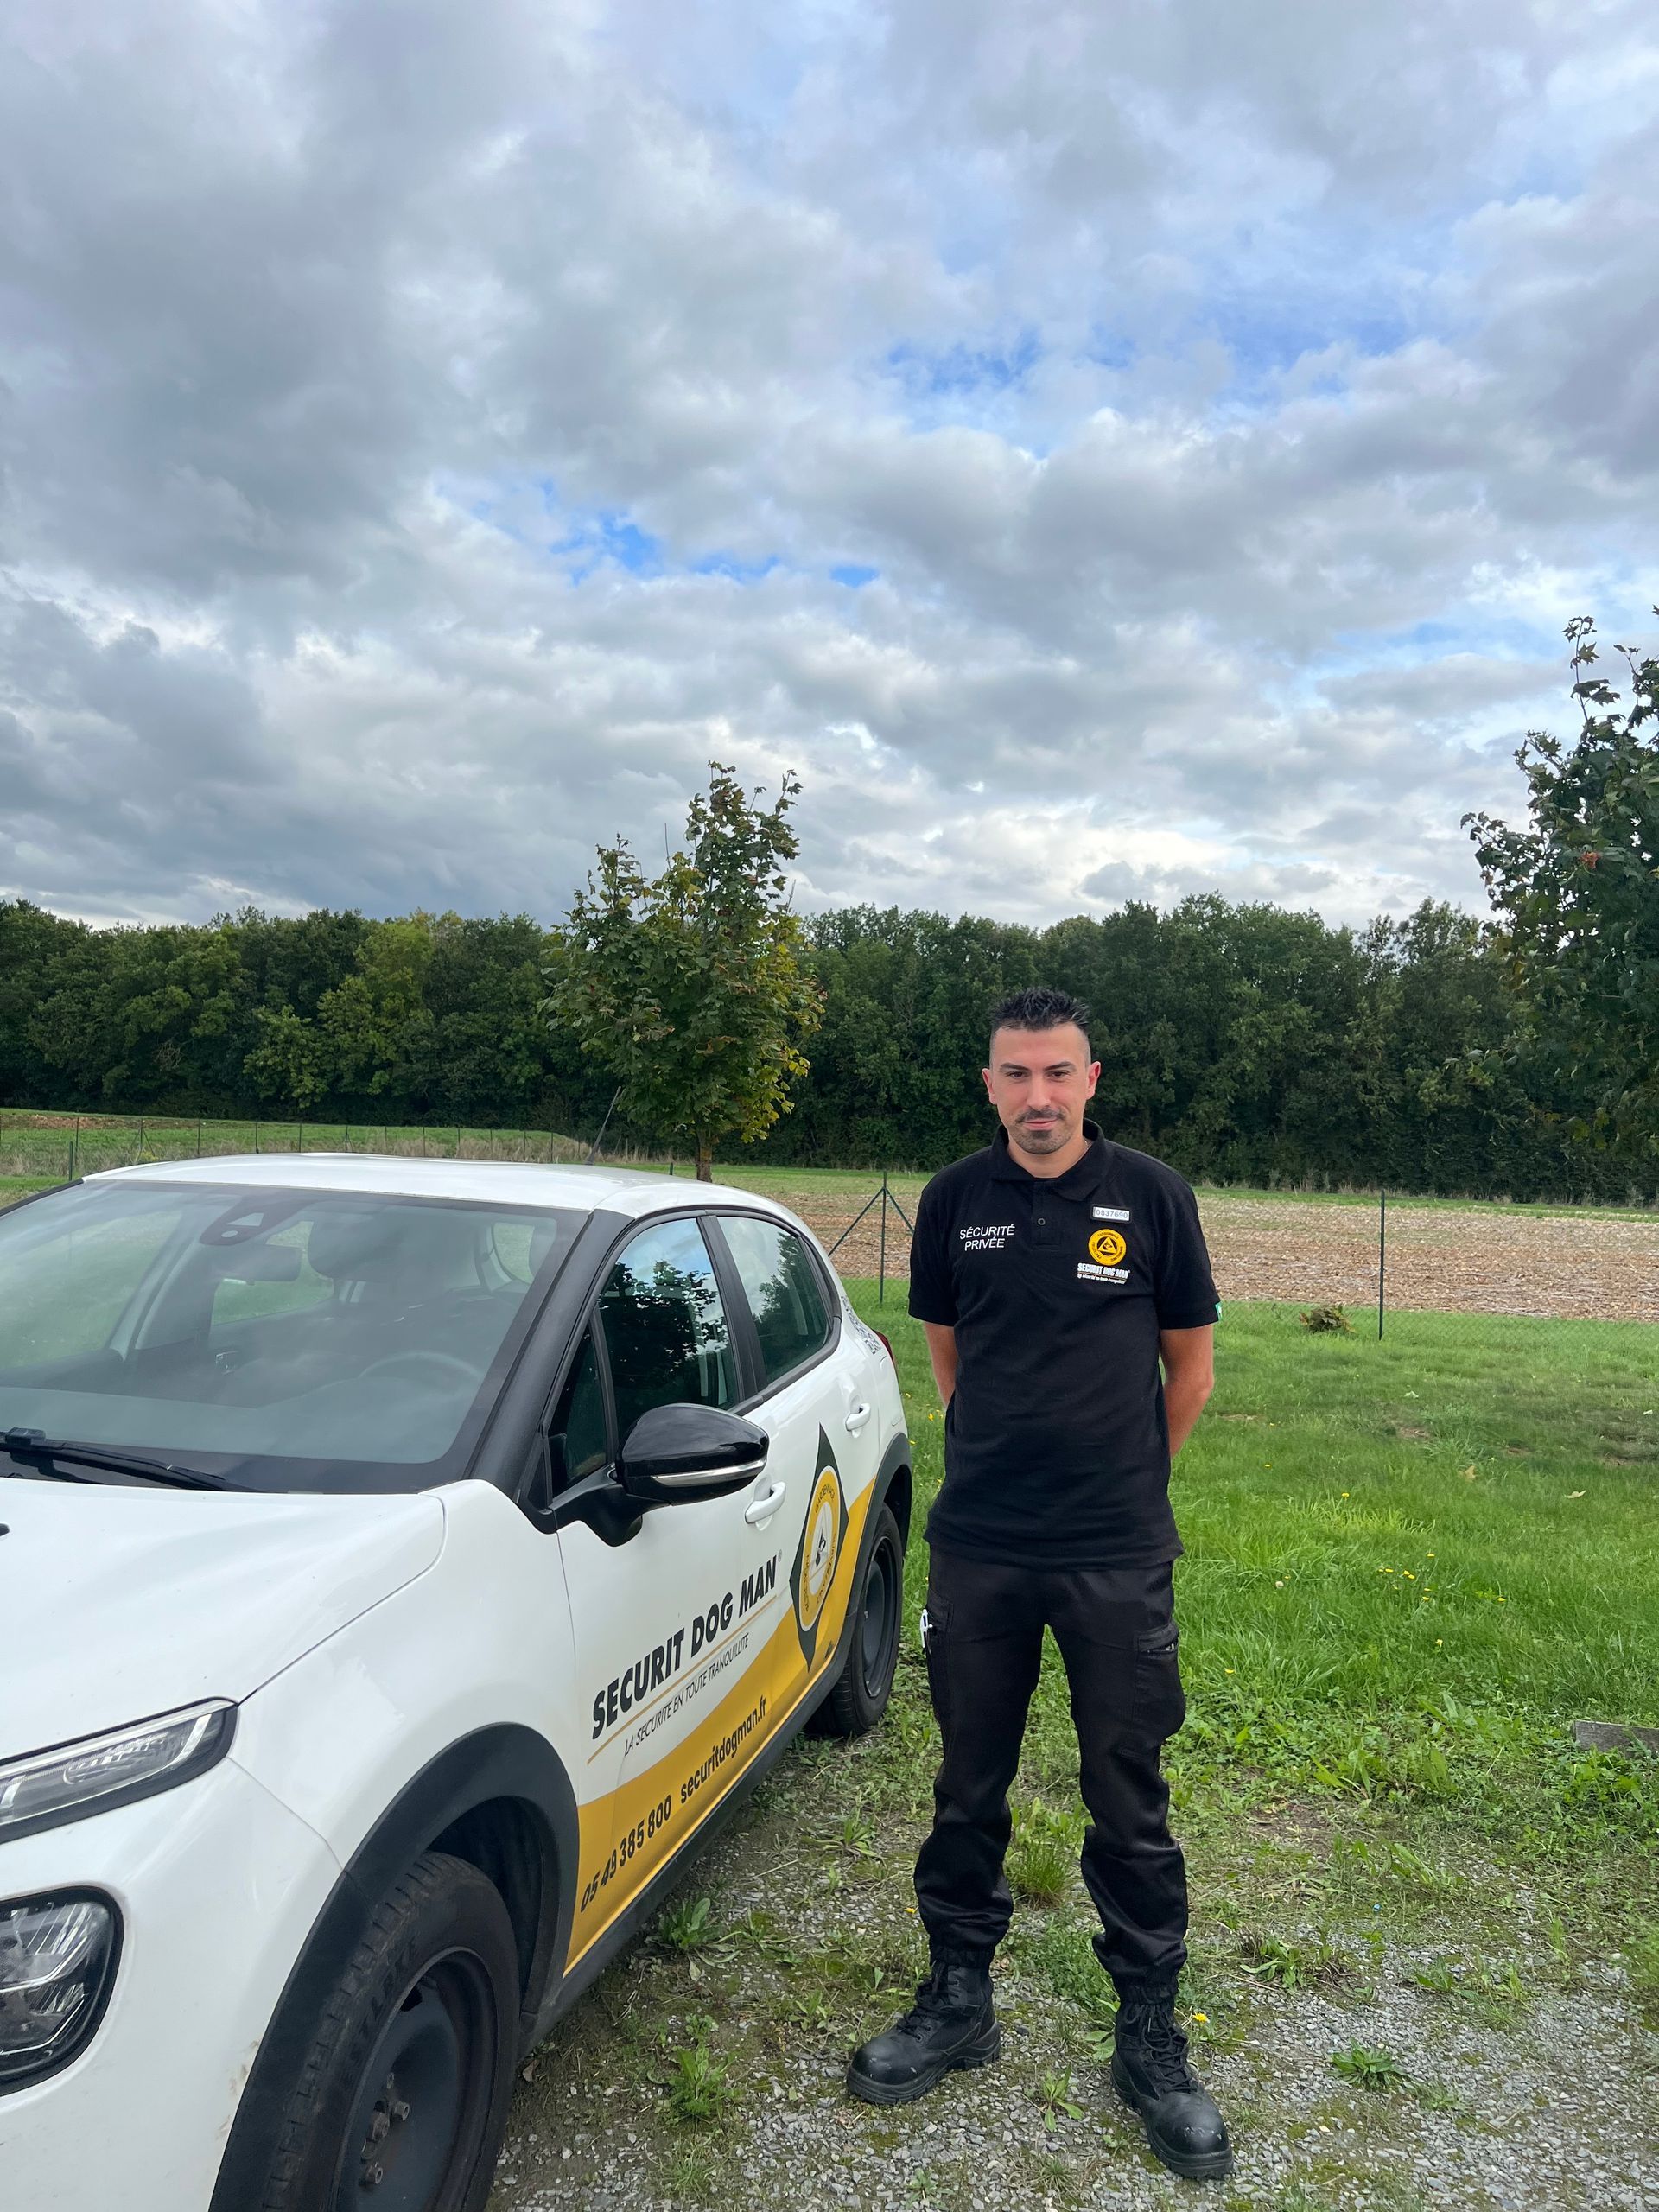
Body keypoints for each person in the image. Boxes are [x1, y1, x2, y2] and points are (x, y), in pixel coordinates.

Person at [846, 986, 1231, 2181]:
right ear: (990, 1086)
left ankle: (1150, 2037)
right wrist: (1001, 1461)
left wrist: (1127, 1485)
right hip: (983, 1547)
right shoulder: (955, 1201)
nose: (1038, 1097)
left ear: (1091, 1081)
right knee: (968, 1782)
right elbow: (949, 1353)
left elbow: (1189, 1370)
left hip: (1117, 1554)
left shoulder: (1153, 1197)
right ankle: (958, 1999)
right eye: (1015, 1075)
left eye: (1058, 1073)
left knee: (1129, 1792)